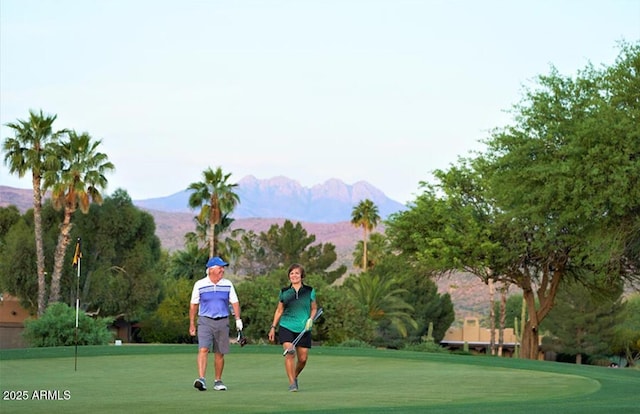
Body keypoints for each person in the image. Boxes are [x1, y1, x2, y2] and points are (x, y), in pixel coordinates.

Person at [189, 256, 243, 391]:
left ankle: (218, 381)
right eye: (220, 268)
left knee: (220, 352)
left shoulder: (227, 284)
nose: (222, 270)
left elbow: (234, 303)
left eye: (222, 268)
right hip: (205, 321)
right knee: (203, 349)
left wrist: (238, 319)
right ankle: (201, 379)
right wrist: (192, 324)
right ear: (211, 270)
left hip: (222, 320)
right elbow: (193, 305)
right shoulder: (200, 284)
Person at [268, 263, 318, 392]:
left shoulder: (309, 291)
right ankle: (292, 383)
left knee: (302, 358)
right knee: (290, 352)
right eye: (291, 273)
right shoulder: (284, 292)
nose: (294, 275)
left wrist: (310, 320)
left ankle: (294, 376)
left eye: (296, 273)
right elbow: (279, 311)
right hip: (286, 325)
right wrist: (273, 327)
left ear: (302, 276)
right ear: (289, 276)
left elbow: (314, 308)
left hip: (303, 328)